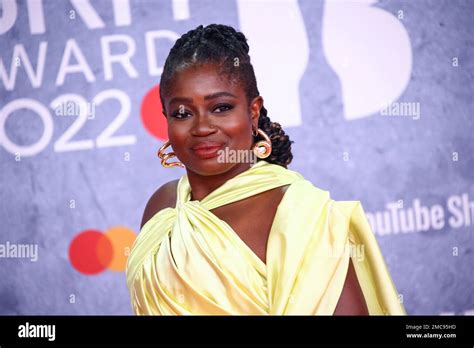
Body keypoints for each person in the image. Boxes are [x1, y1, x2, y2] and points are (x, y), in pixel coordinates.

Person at [125, 24, 406, 315]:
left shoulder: (301, 214)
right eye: (182, 113)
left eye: (221, 107)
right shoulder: (162, 207)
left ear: (253, 111)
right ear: (167, 120)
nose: (202, 127)